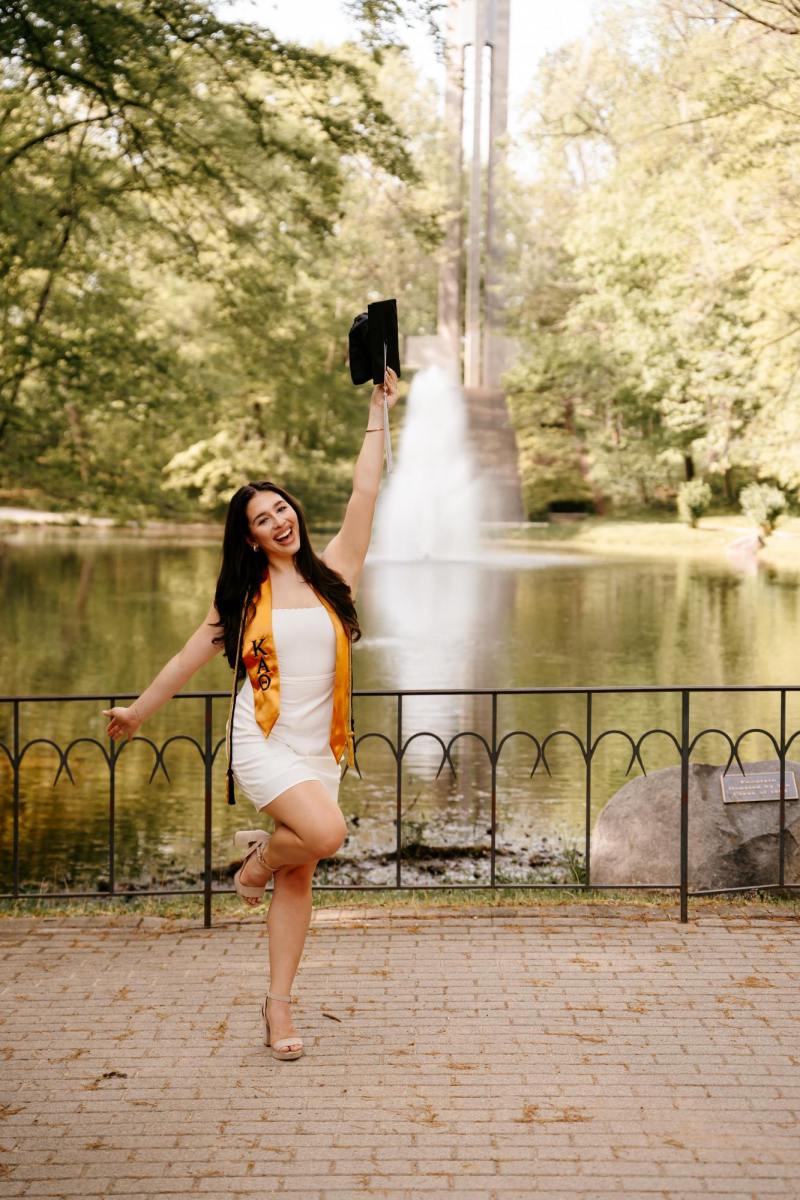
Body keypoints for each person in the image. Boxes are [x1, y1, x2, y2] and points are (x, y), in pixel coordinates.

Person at [103, 365, 399, 1060]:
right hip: (264, 741)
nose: (279, 521)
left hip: (321, 747)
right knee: (324, 834)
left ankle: (278, 1006)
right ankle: (257, 861)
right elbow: (186, 660)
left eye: (282, 508)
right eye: (263, 519)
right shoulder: (241, 601)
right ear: (250, 539)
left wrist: (379, 409)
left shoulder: (336, 573)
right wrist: (138, 712)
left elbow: (365, 490)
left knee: (303, 873)